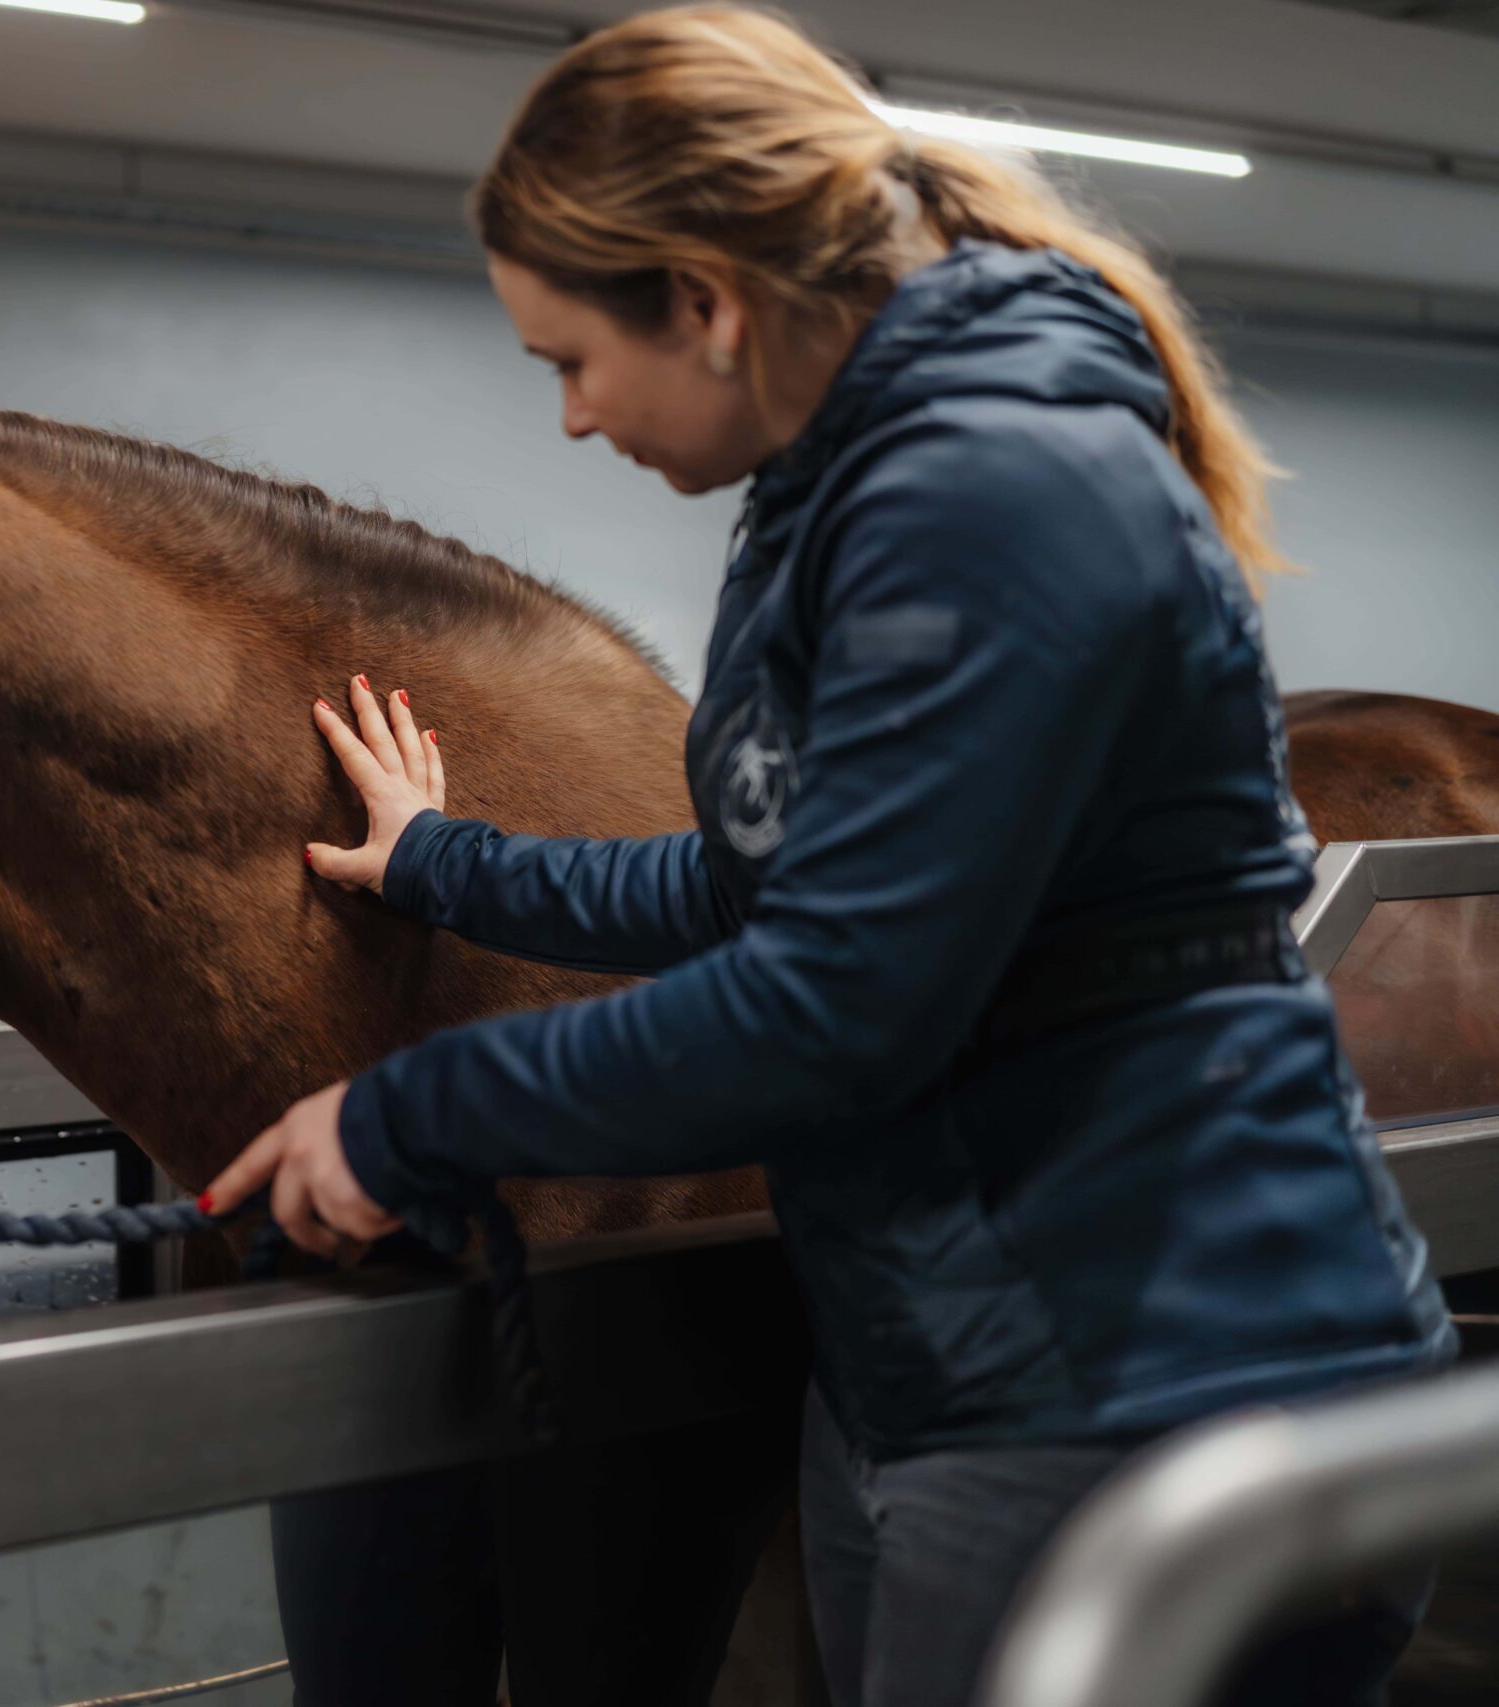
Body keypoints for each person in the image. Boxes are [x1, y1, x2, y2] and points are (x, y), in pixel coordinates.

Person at [205, 8, 1457, 1705]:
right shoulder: (823, 504)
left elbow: (832, 1006)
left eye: (568, 359)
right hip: (945, 1362)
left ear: (707, 306)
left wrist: (403, 1118)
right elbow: (753, 888)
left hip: (1153, 1377)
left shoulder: (1002, 492)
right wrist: (443, 862)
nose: (570, 417)